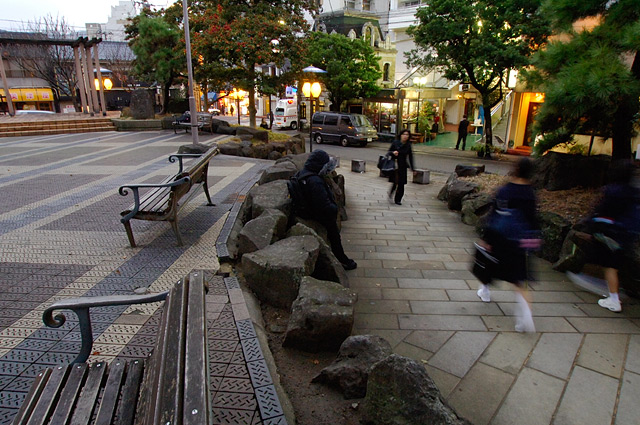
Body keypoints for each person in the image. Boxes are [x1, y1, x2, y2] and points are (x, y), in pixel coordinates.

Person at [477, 157, 541, 332]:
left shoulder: (505, 190)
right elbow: (532, 219)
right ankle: (525, 317)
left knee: (490, 264)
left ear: (515, 169)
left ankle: (484, 290)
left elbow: (494, 215)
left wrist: (486, 237)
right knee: (519, 281)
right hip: (519, 241)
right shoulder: (530, 193)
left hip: (500, 237)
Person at [569, 160, 640, 312]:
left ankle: (613, 298)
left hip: (613, 234)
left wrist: (589, 223)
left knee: (609, 265)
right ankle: (610, 291)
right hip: (627, 235)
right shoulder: (634, 192)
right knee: (612, 264)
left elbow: (601, 210)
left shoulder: (612, 191)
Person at [295, 150, 357, 270]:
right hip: (317, 214)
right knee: (334, 235)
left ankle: (341, 258)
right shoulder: (315, 181)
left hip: (306, 210)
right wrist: (334, 209)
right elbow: (324, 206)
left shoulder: (303, 174)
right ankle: (343, 260)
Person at [387, 129, 415, 206]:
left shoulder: (408, 145)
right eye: (404, 134)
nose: (405, 136)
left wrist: (413, 168)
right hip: (395, 165)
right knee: (395, 182)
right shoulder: (395, 143)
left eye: (407, 135)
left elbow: (410, 157)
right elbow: (388, 152)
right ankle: (391, 192)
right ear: (401, 135)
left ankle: (398, 199)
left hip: (403, 166)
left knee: (401, 184)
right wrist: (393, 153)